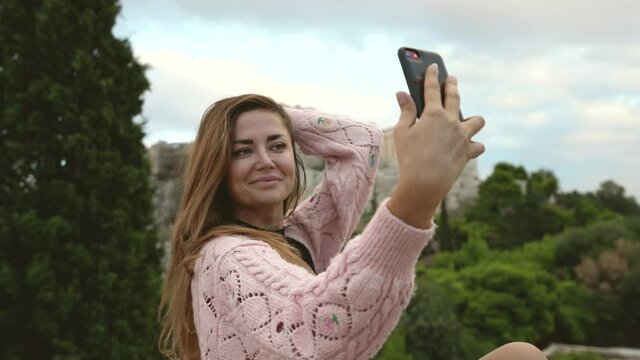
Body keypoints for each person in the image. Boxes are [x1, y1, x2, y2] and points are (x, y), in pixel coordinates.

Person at [158, 64, 547, 360]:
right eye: (242, 151)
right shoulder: (226, 255)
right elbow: (318, 331)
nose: (265, 161)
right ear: (217, 167)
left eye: (276, 145)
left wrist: (270, 113)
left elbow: (362, 143)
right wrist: (419, 195)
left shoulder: (301, 233)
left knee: (520, 354)